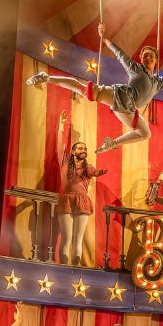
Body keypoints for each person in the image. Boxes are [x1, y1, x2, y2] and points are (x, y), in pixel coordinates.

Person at [26, 23, 163, 153]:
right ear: (141, 59)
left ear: (156, 60)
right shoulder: (136, 69)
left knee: (145, 133)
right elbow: (119, 54)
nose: (147, 58)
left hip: (129, 110)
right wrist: (104, 37)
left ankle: (111, 144)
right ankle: (46, 77)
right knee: (85, 90)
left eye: (151, 56)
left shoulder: (158, 82)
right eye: (145, 55)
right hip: (119, 96)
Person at [54, 111, 107, 266]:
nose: (83, 151)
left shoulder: (87, 168)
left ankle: (75, 269)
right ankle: (64, 267)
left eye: (85, 149)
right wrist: (61, 125)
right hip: (67, 200)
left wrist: (99, 172)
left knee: (78, 239)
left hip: (82, 201)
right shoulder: (64, 162)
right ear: (73, 151)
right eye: (80, 149)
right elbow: (59, 144)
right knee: (66, 238)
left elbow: (93, 172)